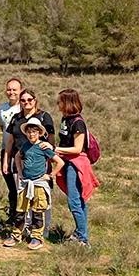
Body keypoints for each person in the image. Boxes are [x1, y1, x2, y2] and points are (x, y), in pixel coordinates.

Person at [48, 89, 100, 246]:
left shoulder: (78, 123)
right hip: (67, 162)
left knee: (74, 201)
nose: (58, 104)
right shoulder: (65, 119)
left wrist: (56, 149)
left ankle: (82, 238)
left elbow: (78, 148)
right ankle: (81, 233)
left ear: (68, 102)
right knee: (78, 200)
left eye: (60, 101)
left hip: (76, 163)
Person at [3, 118, 64, 250]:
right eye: (29, 132)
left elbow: (59, 162)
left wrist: (51, 175)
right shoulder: (25, 146)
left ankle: (37, 236)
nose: (31, 134)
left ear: (39, 133)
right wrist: (19, 171)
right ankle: (16, 234)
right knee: (20, 209)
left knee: (38, 210)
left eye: (34, 132)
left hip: (39, 183)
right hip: (26, 182)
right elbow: (18, 157)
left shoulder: (43, 146)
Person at [4, 88, 56, 227]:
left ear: (35, 100)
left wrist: (50, 167)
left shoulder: (44, 117)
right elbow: (10, 141)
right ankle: (25, 227)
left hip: (40, 164)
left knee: (41, 197)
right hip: (20, 164)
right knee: (24, 196)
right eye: (23, 100)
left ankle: (42, 229)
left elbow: (51, 141)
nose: (26, 102)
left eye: (29, 100)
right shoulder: (16, 118)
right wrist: (6, 160)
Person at [0, 78, 22, 221]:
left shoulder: (23, 107)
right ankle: (13, 214)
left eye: (14, 90)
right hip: (6, 150)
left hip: (21, 153)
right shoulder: (1, 109)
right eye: (9, 89)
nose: (11, 92)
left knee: (21, 185)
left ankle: (22, 216)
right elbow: (3, 128)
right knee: (10, 185)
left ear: (20, 91)